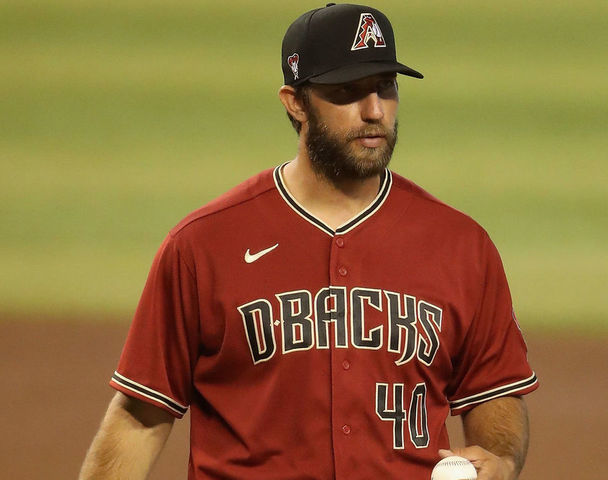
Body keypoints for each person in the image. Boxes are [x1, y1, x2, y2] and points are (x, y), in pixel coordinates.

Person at [79, 3, 538, 480]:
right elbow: (139, 417)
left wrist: (500, 459)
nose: (374, 111)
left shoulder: (461, 245)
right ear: (295, 102)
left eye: (385, 86)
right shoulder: (203, 246)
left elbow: (494, 391)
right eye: (348, 92)